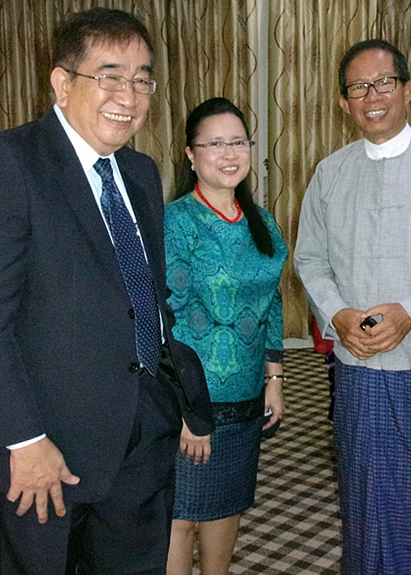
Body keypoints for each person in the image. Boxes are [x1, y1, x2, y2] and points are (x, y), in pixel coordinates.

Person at [0, 8, 214, 574]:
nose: (130, 94)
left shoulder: (140, 171)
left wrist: (177, 396)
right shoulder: (6, 161)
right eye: (110, 75)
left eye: (143, 79)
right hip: (47, 449)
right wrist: (24, 440)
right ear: (63, 83)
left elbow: (147, 298)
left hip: (141, 433)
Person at [294, 39, 411, 574]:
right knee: (362, 494)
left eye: (383, 83)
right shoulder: (330, 173)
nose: (372, 96)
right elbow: (309, 257)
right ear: (343, 103)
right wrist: (337, 314)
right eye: (359, 87)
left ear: (408, 88)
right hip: (356, 366)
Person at [164, 98, 287, 575]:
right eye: (214, 143)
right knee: (181, 517)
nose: (229, 152)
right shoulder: (175, 222)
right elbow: (164, 318)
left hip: (246, 398)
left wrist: (274, 379)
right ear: (192, 155)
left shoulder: (263, 223)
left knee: (227, 506)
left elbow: (271, 302)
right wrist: (186, 409)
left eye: (237, 141)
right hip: (195, 402)